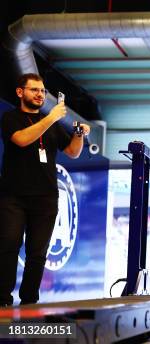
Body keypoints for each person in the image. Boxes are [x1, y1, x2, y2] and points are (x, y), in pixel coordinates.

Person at [0, 73, 90, 307]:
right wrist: (51, 119)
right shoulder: (11, 117)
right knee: (9, 244)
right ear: (21, 92)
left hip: (46, 197)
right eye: (34, 90)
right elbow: (21, 140)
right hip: (14, 196)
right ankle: (2, 299)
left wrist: (79, 134)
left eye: (42, 91)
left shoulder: (50, 124)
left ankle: (29, 301)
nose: (40, 95)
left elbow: (72, 151)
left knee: (37, 252)